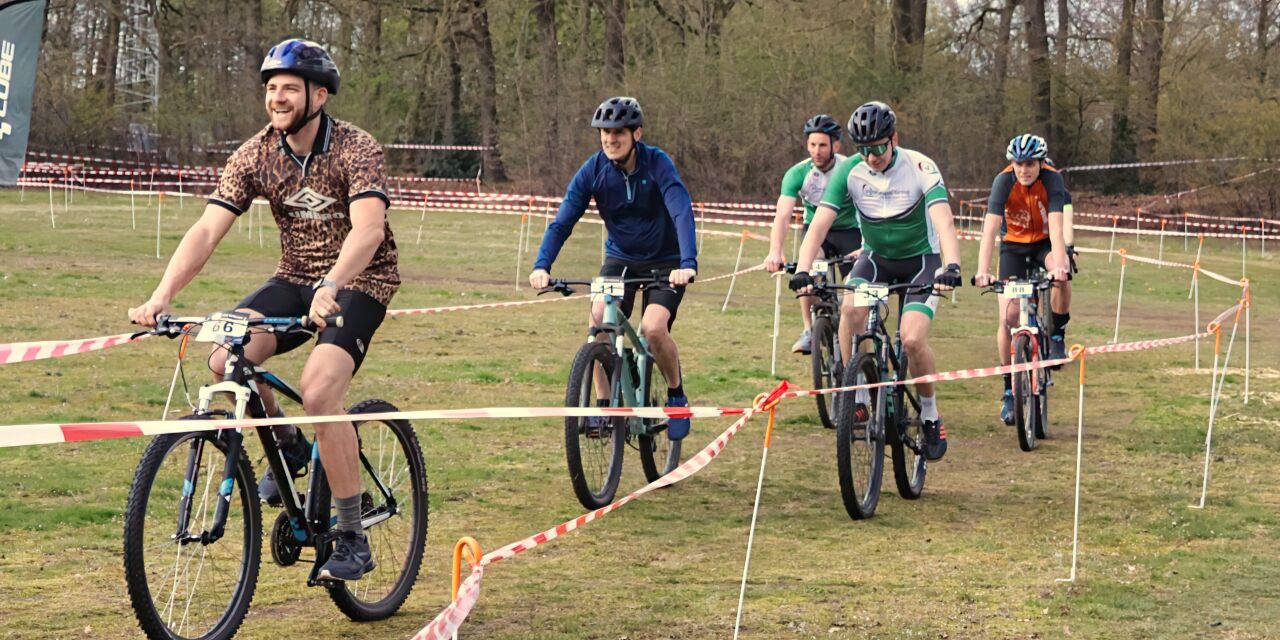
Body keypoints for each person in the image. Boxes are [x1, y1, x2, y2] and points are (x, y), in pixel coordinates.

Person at [128, 38, 397, 582]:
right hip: (293, 278)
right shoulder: (253, 154)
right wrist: (162, 296)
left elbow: (369, 230)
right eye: (271, 88)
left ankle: (351, 534)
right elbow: (207, 228)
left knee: (321, 390)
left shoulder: (355, 147)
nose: (277, 97)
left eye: (289, 88)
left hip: (360, 281)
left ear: (319, 95)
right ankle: (289, 445)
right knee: (227, 358)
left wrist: (332, 284)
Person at [789, 101, 963, 461]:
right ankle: (859, 396)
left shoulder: (919, 166)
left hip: (921, 263)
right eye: (865, 150)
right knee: (850, 311)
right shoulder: (850, 172)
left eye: (879, 148)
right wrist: (803, 270)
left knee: (912, 339)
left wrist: (952, 265)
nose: (872, 157)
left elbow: (943, 219)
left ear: (894, 139)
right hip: (875, 261)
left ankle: (930, 413)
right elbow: (819, 223)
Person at [528, 97, 698, 440]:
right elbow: (563, 222)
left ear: (637, 133)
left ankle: (676, 393)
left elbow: (681, 209)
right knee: (598, 320)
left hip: (665, 261)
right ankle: (605, 407)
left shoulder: (657, 163)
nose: (610, 139)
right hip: (620, 259)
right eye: (604, 133)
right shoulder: (593, 169)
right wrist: (542, 265)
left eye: (618, 132)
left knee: (652, 328)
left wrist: (687, 263)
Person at [973, 134, 1073, 425]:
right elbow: (990, 230)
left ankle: (1057, 334)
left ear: (1040, 163)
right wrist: (983, 269)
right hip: (1013, 246)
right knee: (1008, 316)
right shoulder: (1003, 182)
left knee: (1062, 268)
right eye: (1018, 164)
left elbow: (1056, 228)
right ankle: (1008, 388)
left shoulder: (1053, 180)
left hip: (1043, 242)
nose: (1023, 170)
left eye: (1029, 164)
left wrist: (1059, 265)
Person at [764, 115, 862, 354]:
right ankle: (809, 329)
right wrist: (775, 250)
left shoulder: (851, 169)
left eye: (822, 145)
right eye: (812, 145)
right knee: (807, 272)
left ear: (835, 146)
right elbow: (783, 215)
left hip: (851, 231)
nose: (816, 151)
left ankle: (859, 333)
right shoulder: (798, 173)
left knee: (855, 288)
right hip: (817, 234)